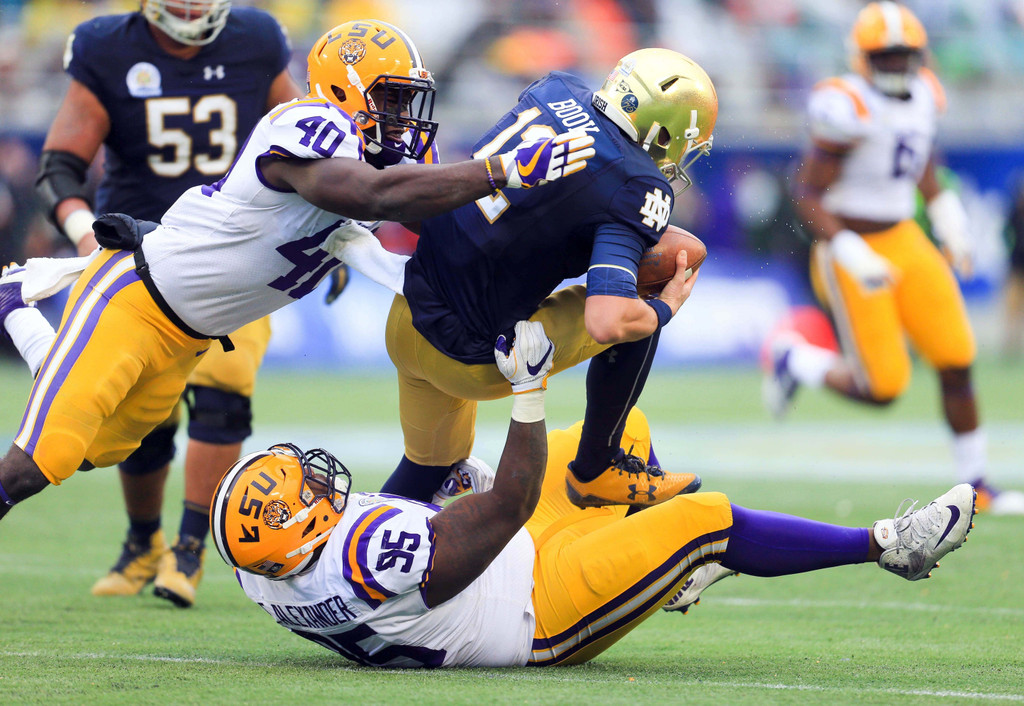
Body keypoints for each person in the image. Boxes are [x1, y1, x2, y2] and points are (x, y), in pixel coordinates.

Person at [0, 18, 595, 533]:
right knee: (42, 457)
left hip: (189, 338)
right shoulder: (308, 122)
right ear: (346, 88)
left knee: (99, 449)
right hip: (132, 300)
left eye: (406, 101)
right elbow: (374, 196)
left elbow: (432, 217)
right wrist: (497, 169)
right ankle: (21, 311)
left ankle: (17, 312)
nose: (401, 115)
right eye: (389, 99)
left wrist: (550, 219)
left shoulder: (371, 154)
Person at [211, 320, 977, 668]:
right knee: (705, 517)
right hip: (534, 609)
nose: (324, 482)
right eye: (311, 491)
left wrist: (449, 482)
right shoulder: (369, 557)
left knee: (618, 438)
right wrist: (530, 390)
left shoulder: (266, 568)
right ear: (306, 527)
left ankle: (662, 575)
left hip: (497, 564)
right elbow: (504, 506)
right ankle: (887, 547)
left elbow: (399, 510)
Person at [32, 0, 309, 607]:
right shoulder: (106, 45)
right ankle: (141, 542)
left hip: (236, 254)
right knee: (140, 415)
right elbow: (59, 167)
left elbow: (313, 141)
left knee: (223, 389)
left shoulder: (256, 37)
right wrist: (87, 234)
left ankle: (187, 549)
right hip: (137, 253)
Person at [380, 47, 715, 509]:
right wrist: (664, 309)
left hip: (406, 316)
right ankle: (598, 467)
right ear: (663, 132)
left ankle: (341, 566)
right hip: (470, 356)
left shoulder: (556, 87)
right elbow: (606, 320)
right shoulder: (637, 183)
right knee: (646, 288)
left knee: (427, 468)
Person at [765, 1, 1024, 516]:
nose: (894, 65)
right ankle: (796, 359)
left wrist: (946, 212)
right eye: (884, 56)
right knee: (883, 388)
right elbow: (806, 193)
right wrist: (845, 247)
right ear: (862, 58)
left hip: (905, 236)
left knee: (956, 358)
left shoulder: (925, 93)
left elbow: (921, 159)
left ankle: (977, 485)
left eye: (902, 55)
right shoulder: (845, 107)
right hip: (850, 245)